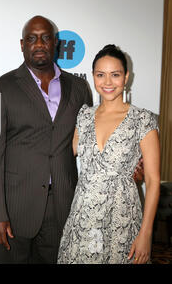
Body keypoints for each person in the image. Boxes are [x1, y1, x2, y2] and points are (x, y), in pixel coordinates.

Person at [0, 15, 93, 264]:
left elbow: (91, 143)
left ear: (56, 43)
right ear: (22, 45)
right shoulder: (0, 87)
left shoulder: (79, 88)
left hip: (62, 206)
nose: (39, 43)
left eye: (45, 37)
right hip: (14, 208)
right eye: (31, 38)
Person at [57, 44, 160, 264]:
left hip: (122, 216)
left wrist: (146, 234)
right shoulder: (83, 115)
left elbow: (152, 180)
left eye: (115, 75)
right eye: (100, 75)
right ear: (93, 76)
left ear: (126, 77)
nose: (107, 82)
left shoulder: (143, 120)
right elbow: (64, 152)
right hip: (84, 217)